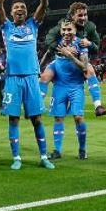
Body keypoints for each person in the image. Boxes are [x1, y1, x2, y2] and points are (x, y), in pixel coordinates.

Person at [0, 0, 53, 170]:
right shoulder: (6, 27)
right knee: (13, 119)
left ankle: (44, 156)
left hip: (31, 77)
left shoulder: (32, 25)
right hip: (12, 79)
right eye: (16, 8)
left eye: (23, 8)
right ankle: (17, 158)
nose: (20, 9)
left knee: (37, 119)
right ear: (11, 13)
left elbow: (44, 4)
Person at [44, 2, 106, 116]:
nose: (83, 18)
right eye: (80, 15)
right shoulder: (63, 24)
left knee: (89, 70)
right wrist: (64, 50)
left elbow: (96, 47)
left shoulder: (90, 26)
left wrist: (89, 44)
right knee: (45, 76)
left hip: (79, 61)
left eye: (85, 15)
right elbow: (49, 40)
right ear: (72, 16)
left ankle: (98, 106)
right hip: (61, 60)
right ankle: (36, 106)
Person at [40, 20, 91, 160]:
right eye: (64, 29)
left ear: (75, 30)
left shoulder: (81, 44)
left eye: (69, 29)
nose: (66, 32)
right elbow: (48, 51)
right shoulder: (58, 43)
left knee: (78, 117)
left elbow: (85, 67)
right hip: (59, 87)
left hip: (76, 87)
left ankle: (82, 149)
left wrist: (70, 55)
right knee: (58, 118)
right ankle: (57, 150)